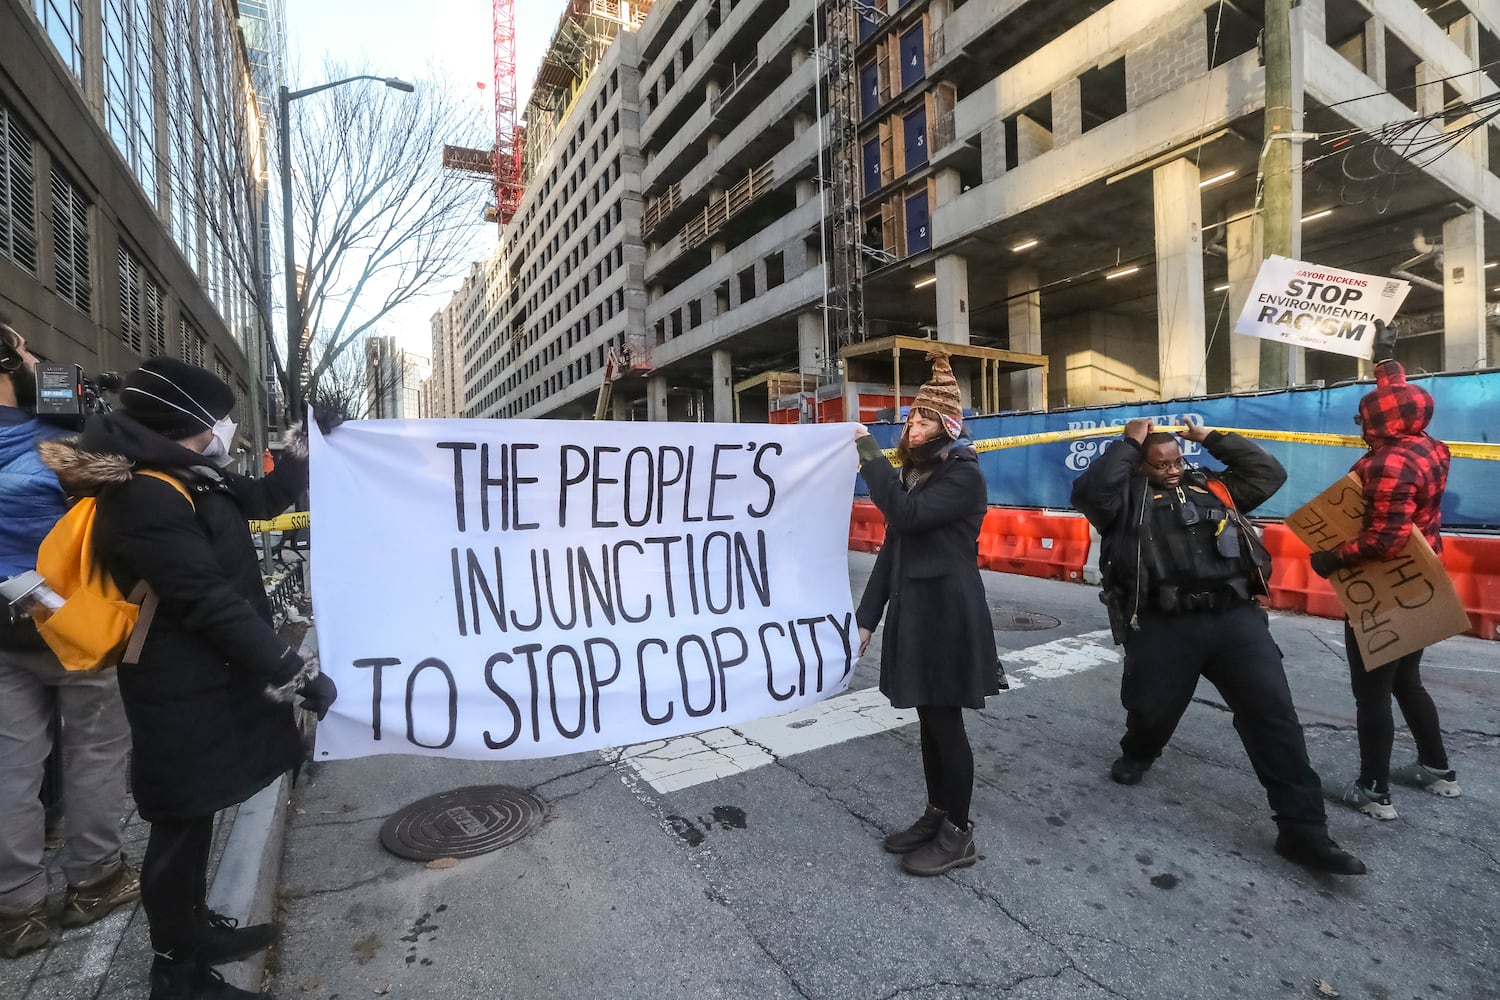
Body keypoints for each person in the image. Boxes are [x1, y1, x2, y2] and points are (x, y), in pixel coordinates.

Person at [40, 357, 337, 1000]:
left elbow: (257, 500)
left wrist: (302, 451)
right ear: (192, 419)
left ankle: (197, 930)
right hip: (175, 686)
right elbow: (204, 597)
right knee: (179, 822)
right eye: (222, 415)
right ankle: (176, 970)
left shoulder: (189, 475)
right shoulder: (145, 493)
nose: (228, 426)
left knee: (198, 813)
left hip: (211, 675)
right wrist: (289, 668)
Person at [1071, 415, 1366, 876]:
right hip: (1163, 625)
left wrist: (1211, 439)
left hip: (1235, 619)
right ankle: (1139, 752)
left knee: (1273, 717)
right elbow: (1090, 493)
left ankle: (1303, 831)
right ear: (1140, 466)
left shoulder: (1216, 488)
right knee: (1151, 710)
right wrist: (1127, 444)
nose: (1172, 470)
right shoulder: (1124, 500)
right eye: (1159, 464)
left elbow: (1268, 473)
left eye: (1177, 461)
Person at [0, 321, 138, 959]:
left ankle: (15, 908)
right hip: (73, 625)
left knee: (10, 765)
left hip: (2, 630)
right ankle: (95, 877)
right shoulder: (64, 445)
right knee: (95, 752)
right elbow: (122, 467)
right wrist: (40, 372)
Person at [853, 350, 1003, 877]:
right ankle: (937, 813)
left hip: (947, 614)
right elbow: (894, 549)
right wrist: (867, 618)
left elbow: (906, 517)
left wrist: (870, 456)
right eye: (913, 417)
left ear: (948, 427)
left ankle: (959, 832)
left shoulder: (963, 475)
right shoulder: (919, 475)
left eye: (926, 420)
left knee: (945, 723)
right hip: (917, 611)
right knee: (928, 720)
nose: (914, 427)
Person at [1311, 320, 1459, 820]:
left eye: (1364, 420)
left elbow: (1384, 540)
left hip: (1387, 589)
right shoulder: (1430, 444)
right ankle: (1437, 771)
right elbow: (1396, 393)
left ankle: (1374, 791)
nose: (1361, 425)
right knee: (1407, 682)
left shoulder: (1388, 465)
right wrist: (1384, 355)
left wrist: (1332, 558)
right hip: (1423, 579)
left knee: (1371, 691)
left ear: (1378, 424)